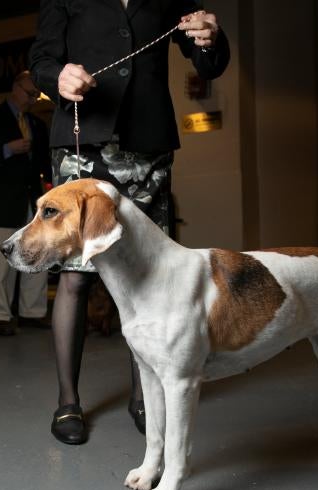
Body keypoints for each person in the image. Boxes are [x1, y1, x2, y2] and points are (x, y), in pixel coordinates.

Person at [30, 1, 230, 444]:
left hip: (148, 143)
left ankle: (146, 396)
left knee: (148, 276)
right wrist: (57, 77)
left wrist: (211, 38)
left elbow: (206, 61)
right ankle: (68, 402)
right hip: (84, 139)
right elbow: (41, 59)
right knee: (77, 278)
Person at [0, 72, 52, 336]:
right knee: (2, 262)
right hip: (1, 200)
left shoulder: (37, 124)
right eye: (29, 93)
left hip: (32, 201)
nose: (33, 99)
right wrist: (7, 149)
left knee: (37, 256)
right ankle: (1, 316)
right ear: (15, 87)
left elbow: (44, 166)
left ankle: (32, 312)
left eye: (37, 95)